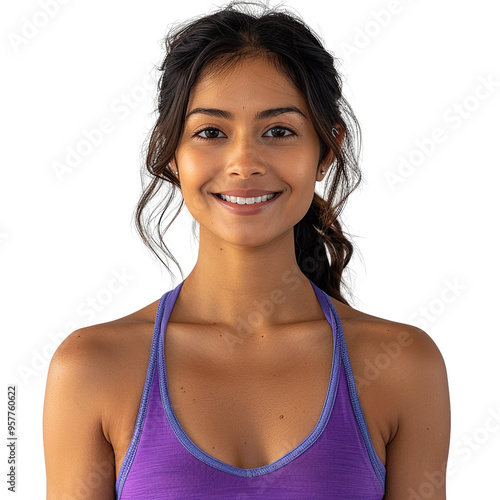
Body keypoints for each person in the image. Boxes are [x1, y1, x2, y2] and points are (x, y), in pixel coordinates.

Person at [43, 2, 451, 498]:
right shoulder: (89, 368)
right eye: (210, 132)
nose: (244, 163)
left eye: (278, 131)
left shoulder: (405, 366)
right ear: (171, 154)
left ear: (326, 149)